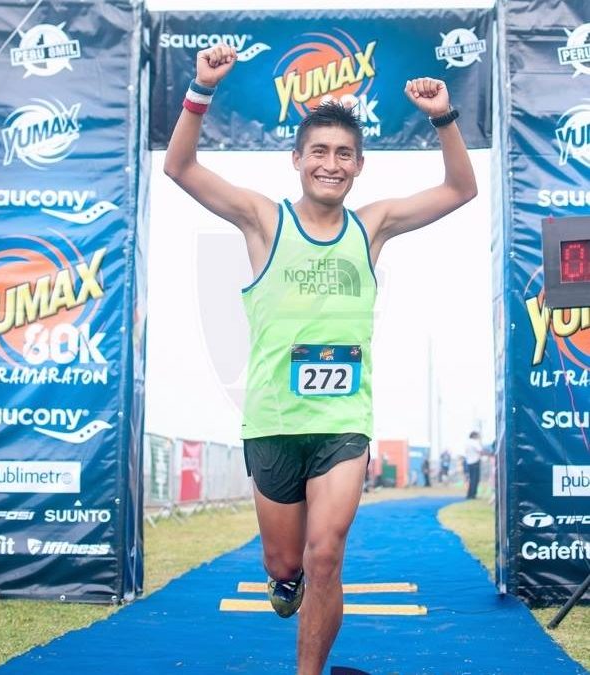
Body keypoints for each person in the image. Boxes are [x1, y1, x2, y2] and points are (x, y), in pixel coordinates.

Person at [164, 44, 477, 675]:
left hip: (342, 424)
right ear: (297, 160)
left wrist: (444, 118)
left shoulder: (373, 225)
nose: (330, 165)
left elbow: (460, 189)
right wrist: (201, 89)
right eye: (319, 152)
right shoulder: (263, 221)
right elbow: (180, 167)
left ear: (359, 165)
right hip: (274, 423)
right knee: (286, 564)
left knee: (325, 555)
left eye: (343, 155)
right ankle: (286, 582)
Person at [465, 430, 483, 499]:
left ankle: (469, 494)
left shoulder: (467, 443)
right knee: (475, 479)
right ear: (474, 436)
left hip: (469, 462)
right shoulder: (475, 442)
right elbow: (480, 450)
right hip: (475, 461)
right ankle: (473, 494)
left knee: (471, 479)